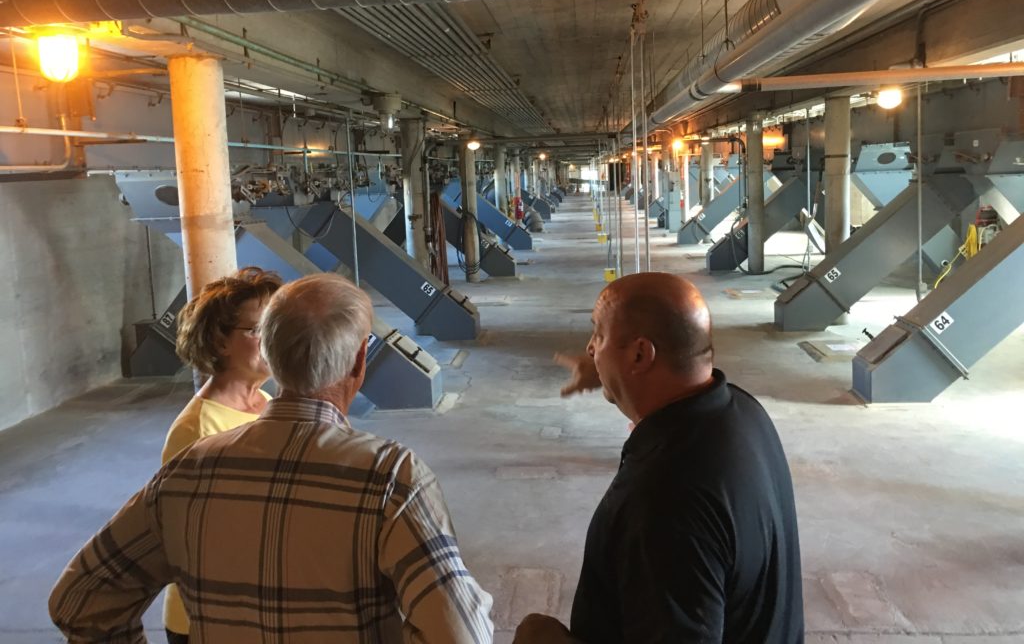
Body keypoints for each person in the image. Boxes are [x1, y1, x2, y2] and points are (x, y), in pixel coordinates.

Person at [50, 273, 493, 643]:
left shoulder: (187, 471)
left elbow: (79, 600)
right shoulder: (393, 480)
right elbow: (460, 633)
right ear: (359, 362)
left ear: (274, 356)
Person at [517, 272, 803, 643]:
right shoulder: (742, 411)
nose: (590, 347)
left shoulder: (666, 500)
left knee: (536, 634)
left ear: (639, 354)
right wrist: (608, 372)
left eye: (598, 335)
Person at [160, 266, 283, 644]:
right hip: (208, 620)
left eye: (275, 328)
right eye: (256, 330)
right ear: (219, 341)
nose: (271, 340)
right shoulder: (197, 430)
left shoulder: (264, 402)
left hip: (254, 611)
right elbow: (187, 539)